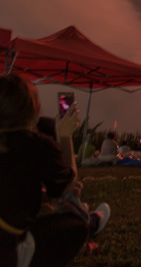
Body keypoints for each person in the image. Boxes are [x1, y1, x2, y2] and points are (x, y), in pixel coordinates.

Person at [0, 74, 110, 267]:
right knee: (77, 226)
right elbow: (69, 189)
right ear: (31, 110)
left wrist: (41, 195)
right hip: (8, 252)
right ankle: (90, 224)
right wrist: (65, 136)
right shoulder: (36, 145)